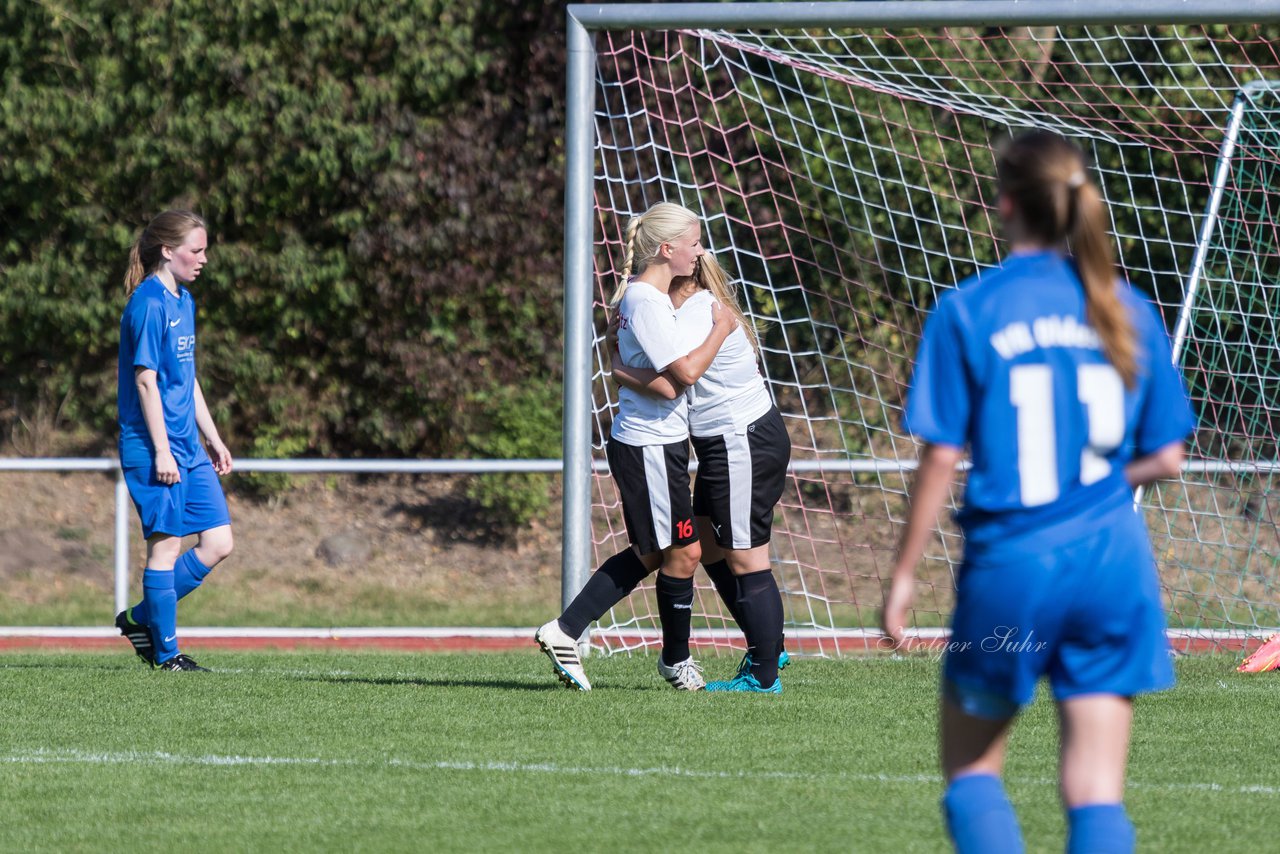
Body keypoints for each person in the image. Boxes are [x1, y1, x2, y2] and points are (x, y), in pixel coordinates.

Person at [880, 130, 1195, 853]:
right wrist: (1092, 486)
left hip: (1015, 570)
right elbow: (1169, 457)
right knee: (1095, 791)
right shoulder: (1128, 307)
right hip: (1114, 567)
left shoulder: (969, 309)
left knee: (973, 769)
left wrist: (901, 579)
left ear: (1006, 202)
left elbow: (940, 456)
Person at [535, 201, 736, 691]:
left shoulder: (646, 299)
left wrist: (625, 372)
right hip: (648, 448)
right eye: (693, 243)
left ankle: (579, 632)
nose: (699, 252)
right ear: (667, 248)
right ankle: (653, 654)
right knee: (682, 552)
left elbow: (621, 353)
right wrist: (722, 328)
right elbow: (681, 378)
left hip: (659, 448)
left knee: (658, 552)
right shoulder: (646, 301)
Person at [611, 253, 792, 693]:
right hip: (730, 443)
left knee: (747, 557)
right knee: (708, 544)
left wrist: (618, 367)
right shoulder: (690, 308)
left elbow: (681, 377)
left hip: (741, 441)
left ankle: (763, 673)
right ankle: (770, 642)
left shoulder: (693, 313)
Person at [114, 210, 235, 672]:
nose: (203, 259)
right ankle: (167, 655)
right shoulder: (147, 304)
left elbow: (187, 378)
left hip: (188, 446)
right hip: (154, 447)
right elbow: (146, 382)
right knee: (164, 549)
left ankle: (140, 618)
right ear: (168, 251)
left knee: (219, 541)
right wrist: (163, 450)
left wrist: (214, 438)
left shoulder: (184, 300)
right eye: (196, 250)